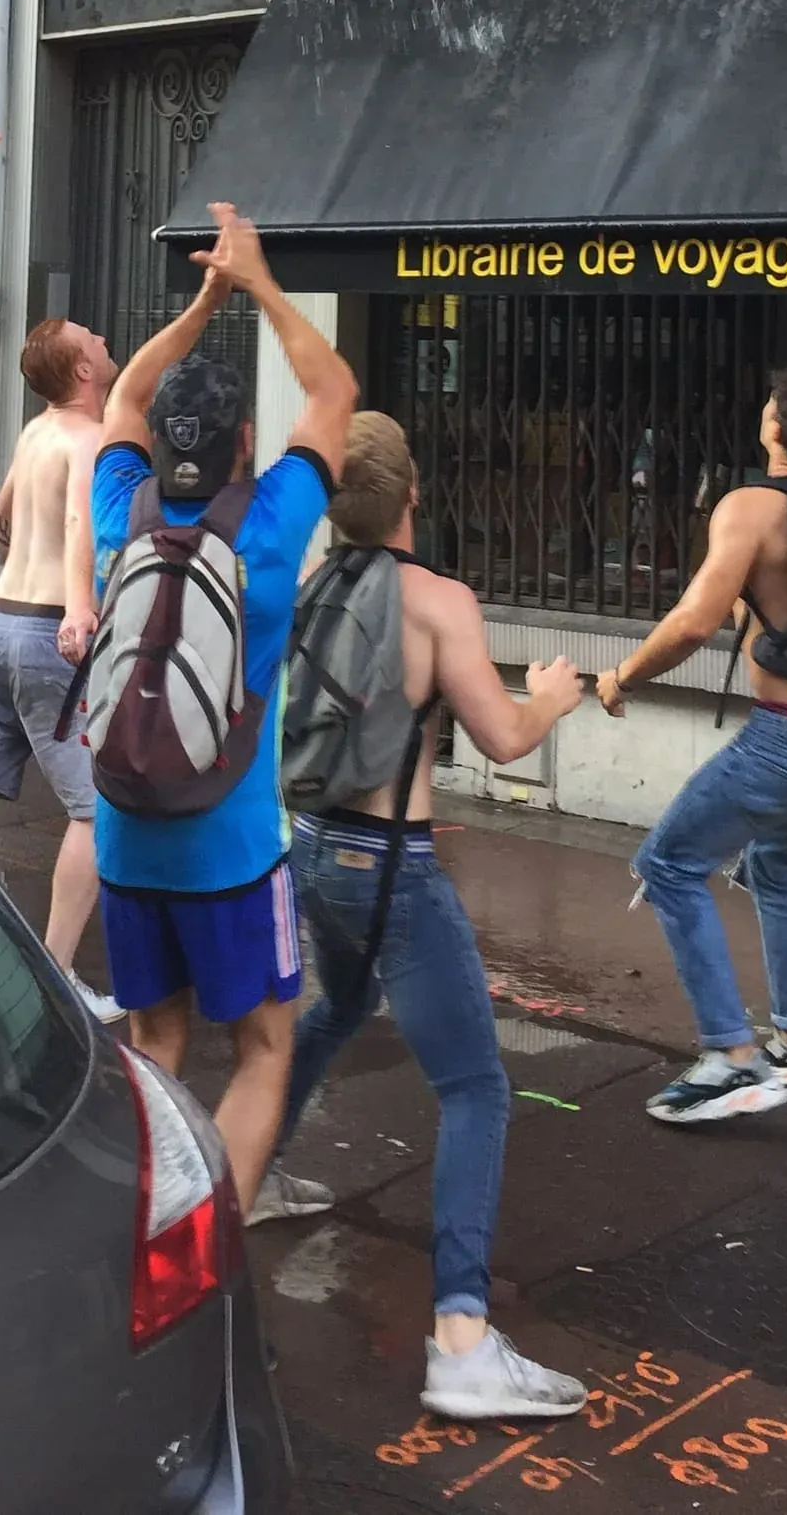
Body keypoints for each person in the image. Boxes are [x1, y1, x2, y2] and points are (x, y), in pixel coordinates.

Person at [257, 412, 591, 1423]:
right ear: (412, 495)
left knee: (338, 1003)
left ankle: (255, 1167)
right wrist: (552, 695)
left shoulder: (310, 585)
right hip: (389, 864)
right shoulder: (439, 600)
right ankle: (461, 1340)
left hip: (311, 844)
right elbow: (503, 738)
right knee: (476, 1087)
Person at [62, 206, 356, 1213]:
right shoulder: (268, 528)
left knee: (156, 1040)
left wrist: (199, 305)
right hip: (233, 851)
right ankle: (210, 1245)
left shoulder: (120, 508)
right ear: (245, 444)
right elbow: (334, 390)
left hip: (124, 834)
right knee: (266, 1045)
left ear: (157, 445)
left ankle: (146, 1222)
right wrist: (259, 284)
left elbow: (125, 394)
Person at [597, 366, 787, 1124]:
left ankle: (731, 1059)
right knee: (772, 863)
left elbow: (695, 621)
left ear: (775, 430)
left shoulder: (751, 505)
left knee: (668, 864)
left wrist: (623, 675)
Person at [0, 317, 123, 1022]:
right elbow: (82, 522)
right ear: (82, 370)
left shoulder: (35, 432)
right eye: (94, 340)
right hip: (52, 636)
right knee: (96, 810)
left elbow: (3, 516)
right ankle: (58, 979)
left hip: (2, 628)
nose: (104, 341)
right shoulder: (91, 438)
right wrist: (80, 605)